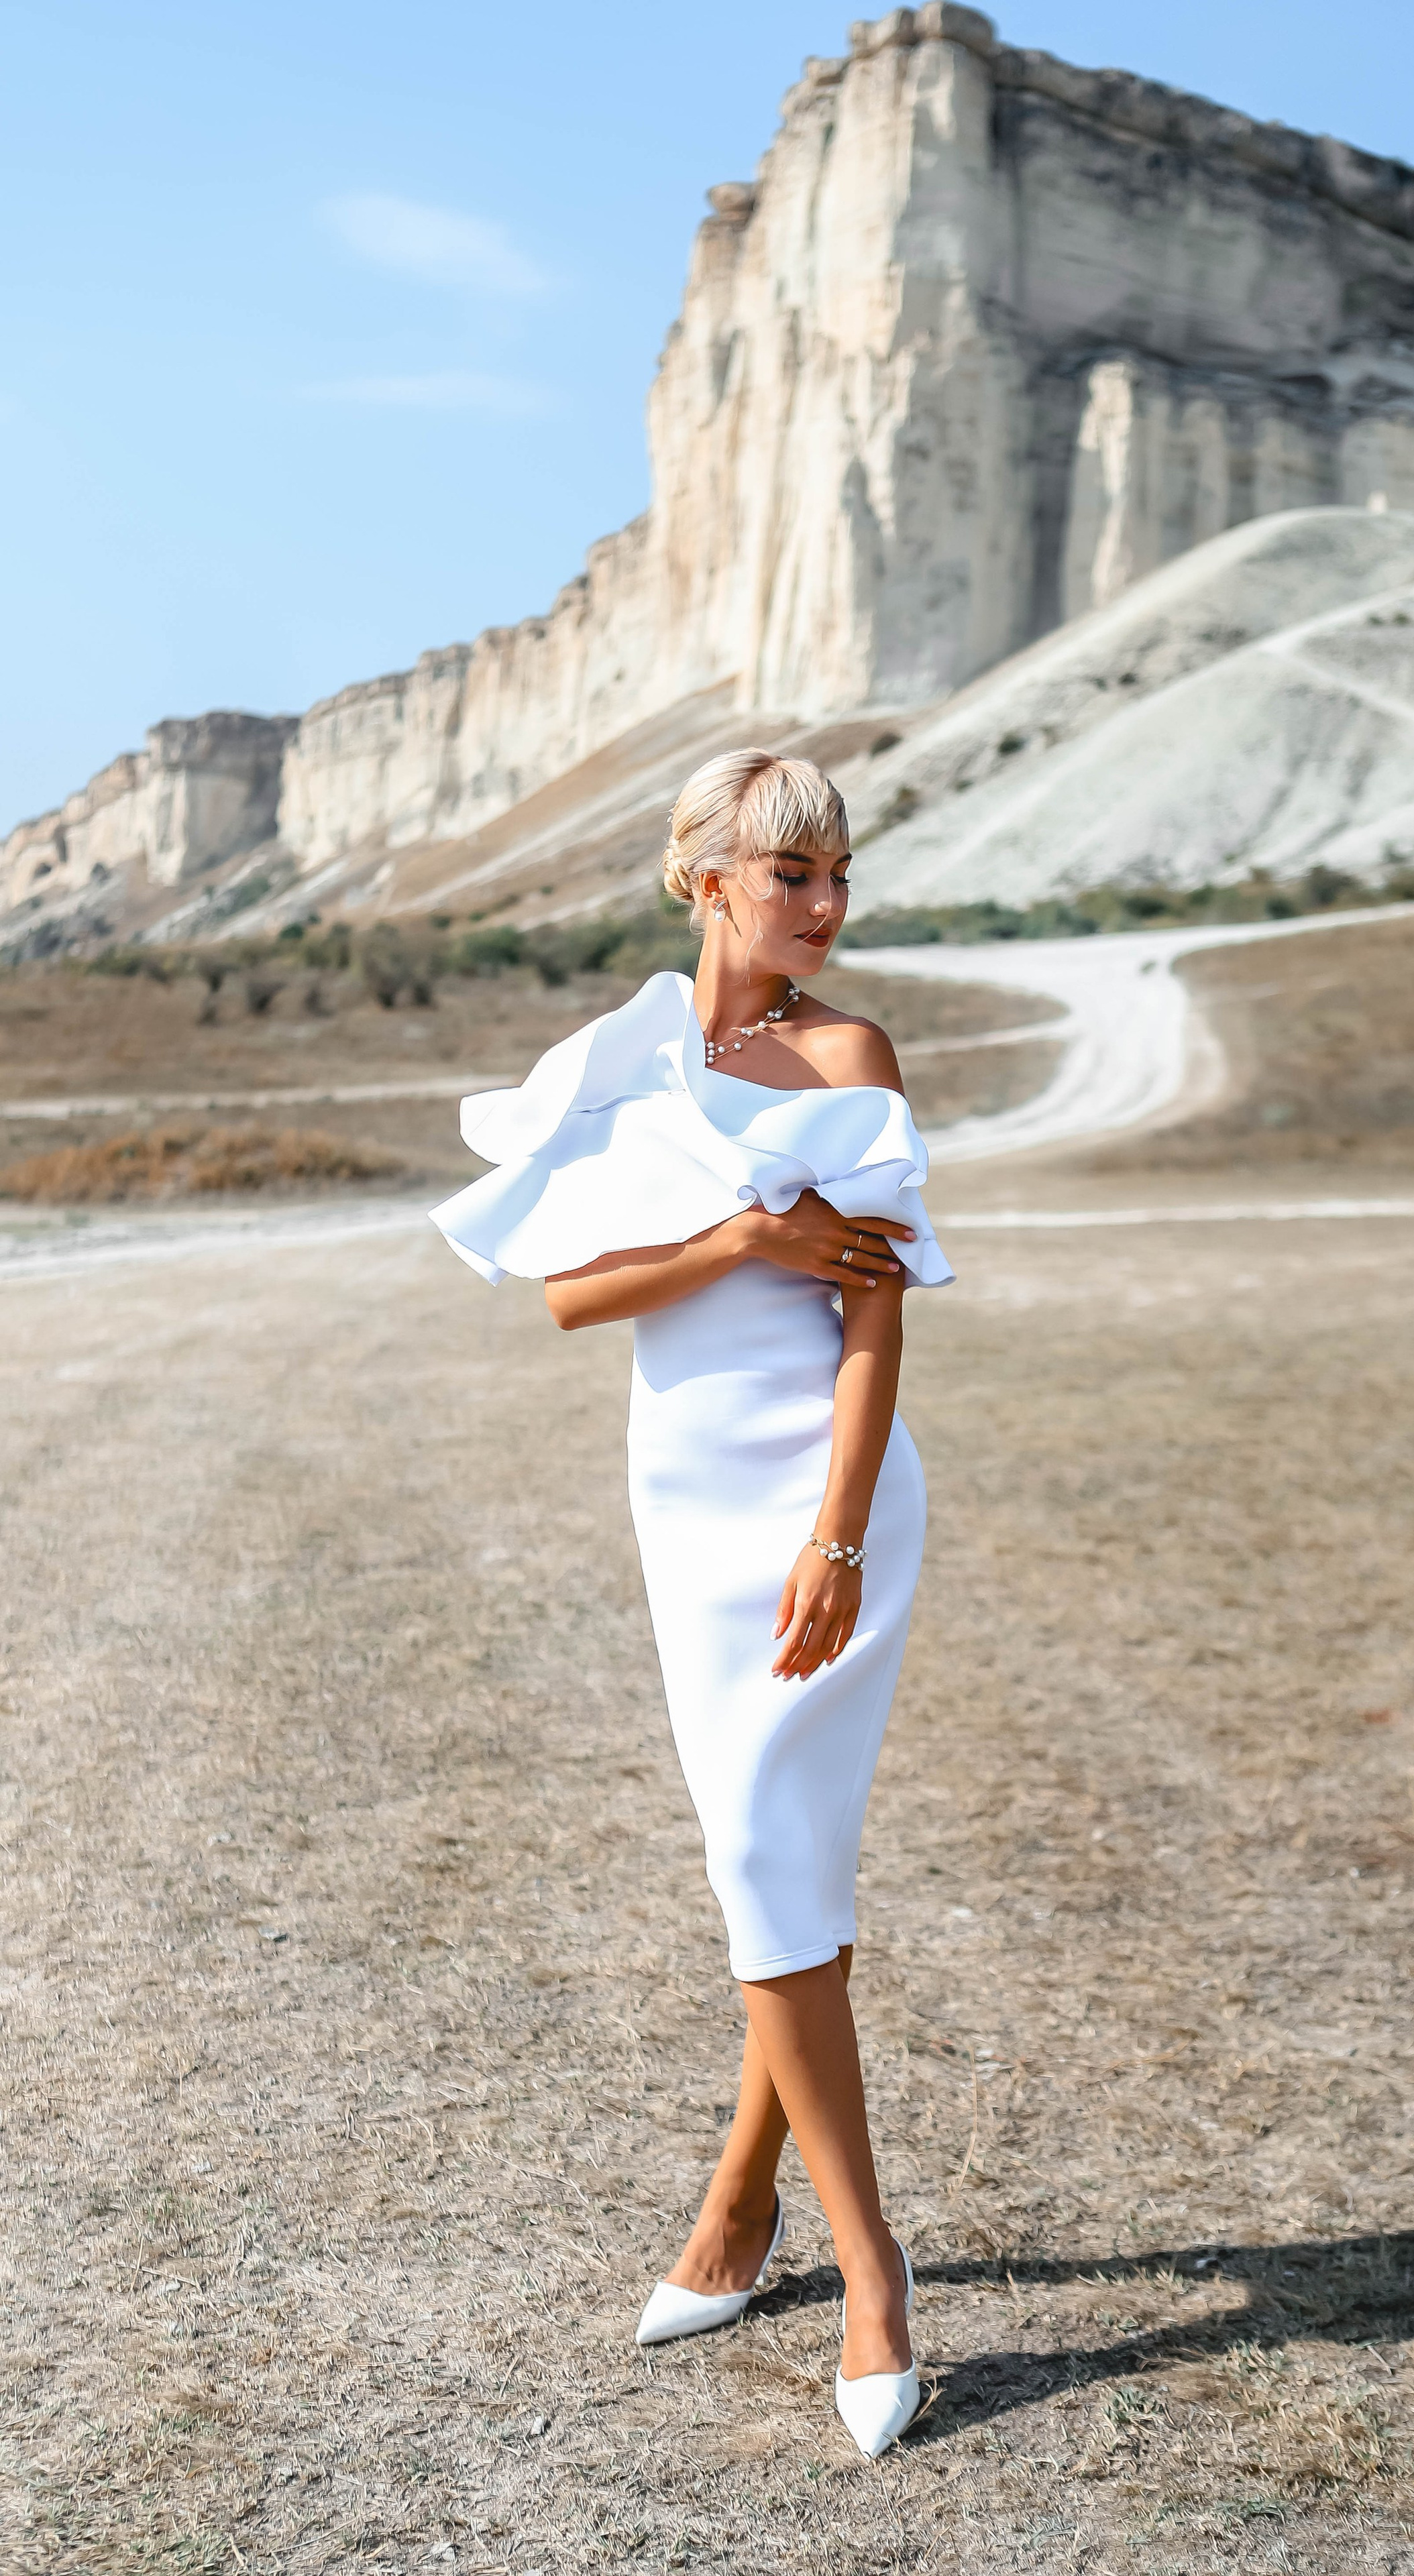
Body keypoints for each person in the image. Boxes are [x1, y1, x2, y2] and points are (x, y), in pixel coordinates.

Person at [429, 748, 953, 2457]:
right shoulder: (620, 1064)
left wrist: (842, 1530)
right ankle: (741, 2200)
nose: (822, 902)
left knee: (758, 1849)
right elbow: (577, 1301)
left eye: (836, 872)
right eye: (789, 870)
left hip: (822, 1496)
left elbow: (878, 1319)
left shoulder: (846, 1057)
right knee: (776, 1848)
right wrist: (735, 1244)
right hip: (683, 1492)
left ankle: (867, 2274)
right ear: (703, 879)